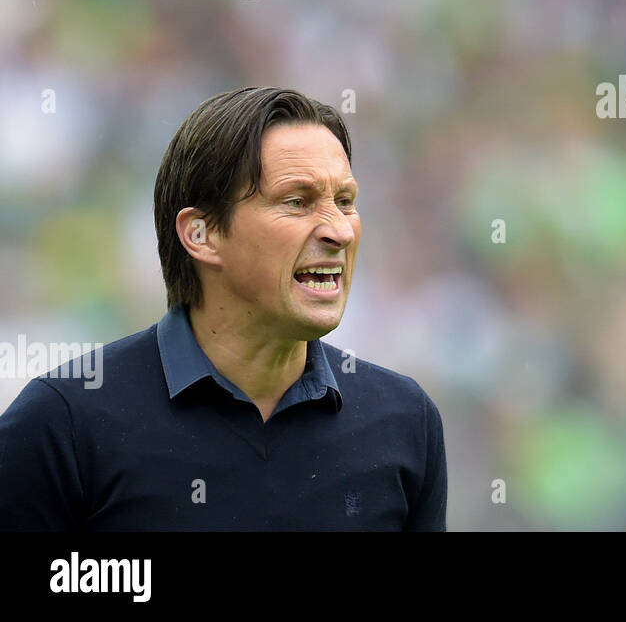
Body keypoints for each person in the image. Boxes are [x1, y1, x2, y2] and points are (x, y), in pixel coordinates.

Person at [0, 87, 447, 530]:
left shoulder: (405, 422)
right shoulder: (63, 425)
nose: (340, 232)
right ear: (202, 234)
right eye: (298, 202)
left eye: (345, 202)